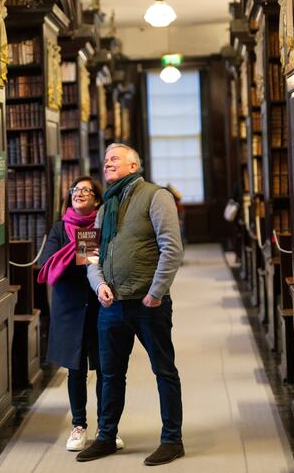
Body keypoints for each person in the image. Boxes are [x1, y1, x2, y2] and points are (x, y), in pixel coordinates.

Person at [76, 143, 185, 466]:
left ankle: (172, 440)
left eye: (114, 159)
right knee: (110, 374)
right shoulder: (103, 208)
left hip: (149, 303)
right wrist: (99, 286)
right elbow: (88, 256)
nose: (107, 163)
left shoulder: (156, 196)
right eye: (105, 160)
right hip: (111, 306)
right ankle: (106, 437)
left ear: (134, 166)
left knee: (164, 371)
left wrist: (156, 291)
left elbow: (172, 248)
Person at [37, 176, 123, 452]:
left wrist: (87, 258)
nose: (79, 193)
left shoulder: (105, 225)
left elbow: (111, 261)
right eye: (76, 189)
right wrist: (79, 251)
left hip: (100, 305)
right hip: (70, 307)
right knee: (76, 370)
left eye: (86, 190)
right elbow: (46, 264)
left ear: (97, 200)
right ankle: (78, 425)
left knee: (103, 367)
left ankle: (105, 428)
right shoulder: (59, 228)